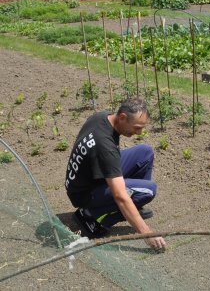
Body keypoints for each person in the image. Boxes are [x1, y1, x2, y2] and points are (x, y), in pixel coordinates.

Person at [65, 97, 166, 250]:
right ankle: (92, 217)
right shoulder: (105, 148)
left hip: (85, 178)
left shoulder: (102, 117)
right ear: (123, 117)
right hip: (85, 194)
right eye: (137, 127)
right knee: (148, 190)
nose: (139, 132)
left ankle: (132, 209)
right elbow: (120, 196)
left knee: (145, 153)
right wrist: (146, 233)